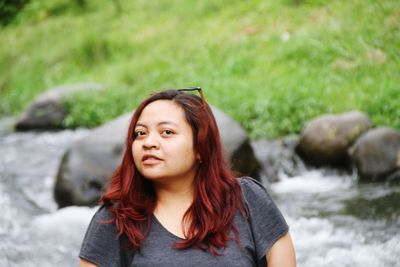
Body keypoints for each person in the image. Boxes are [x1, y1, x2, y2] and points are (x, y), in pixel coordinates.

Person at [79, 88, 296, 267]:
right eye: (140, 133)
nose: (148, 142)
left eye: (167, 132)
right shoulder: (114, 219)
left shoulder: (247, 199)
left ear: (200, 147)